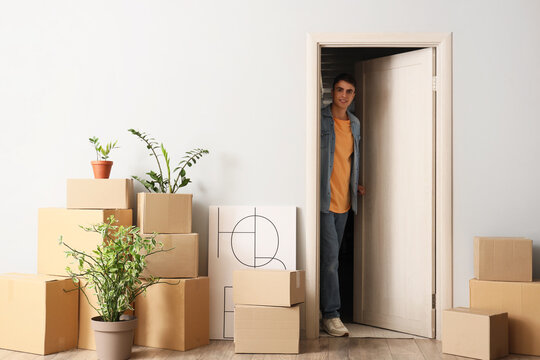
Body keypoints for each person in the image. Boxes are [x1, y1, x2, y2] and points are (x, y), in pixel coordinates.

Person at [320, 73, 365, 337]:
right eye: (340, 90)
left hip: (345, 201)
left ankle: (327, 311)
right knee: (330, 261)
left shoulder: (355, 123)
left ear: (353, 95)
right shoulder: (321, 119)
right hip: (325, 200)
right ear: (332, 91)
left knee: (333, 259)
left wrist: (355, 183)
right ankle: (331, 315)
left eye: (349, 91)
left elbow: (351, 158)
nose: (344, 96)